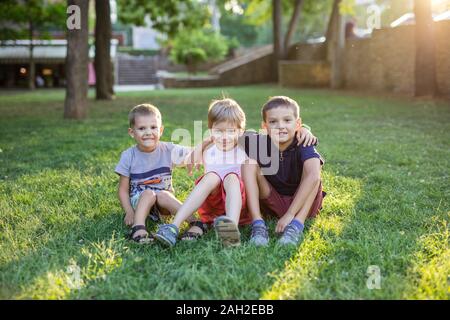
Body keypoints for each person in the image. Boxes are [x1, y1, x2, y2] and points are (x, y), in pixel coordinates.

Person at [154, 98, 252, 247]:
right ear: (211, 130)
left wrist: (302, 128)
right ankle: (173, 227)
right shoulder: (209, 150)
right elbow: (189, 161)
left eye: (231, 131)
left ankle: (231, 229)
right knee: (212, 176)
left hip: (238, 206)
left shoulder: (245, 148)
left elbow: (272, 140)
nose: (224, 137)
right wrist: (203, 143)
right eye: (219, 131)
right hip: (213, 207)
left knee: (231, 177)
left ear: (240, 131)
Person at [241, 96, 325, 246]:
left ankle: (296, 225)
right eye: (273, 122)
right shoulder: (258, 142)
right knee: (248, 164)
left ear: (297, 124)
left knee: (314, 171)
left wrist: (290, 214)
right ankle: (258, 224)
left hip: (304, 204)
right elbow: (228, 134)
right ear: (264, 126)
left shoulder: (304, 142)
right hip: (273, 202)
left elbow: (313, 177)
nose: (280, 126)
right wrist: (203, 145)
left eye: (287, 120)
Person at [115, 103, 203, 243]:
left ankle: (195, 223)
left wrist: (207, 148)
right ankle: (138, 228)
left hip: (163, 207)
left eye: (153, 127)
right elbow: (123, 190)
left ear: (161, 130)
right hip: (140, 204)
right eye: (142, 128)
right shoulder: (128, 156)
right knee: (149, 193)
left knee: (163, 194)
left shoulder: (168, 150)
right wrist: (129, 211)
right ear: (132, 132)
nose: (148, 132)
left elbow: (193, 152)